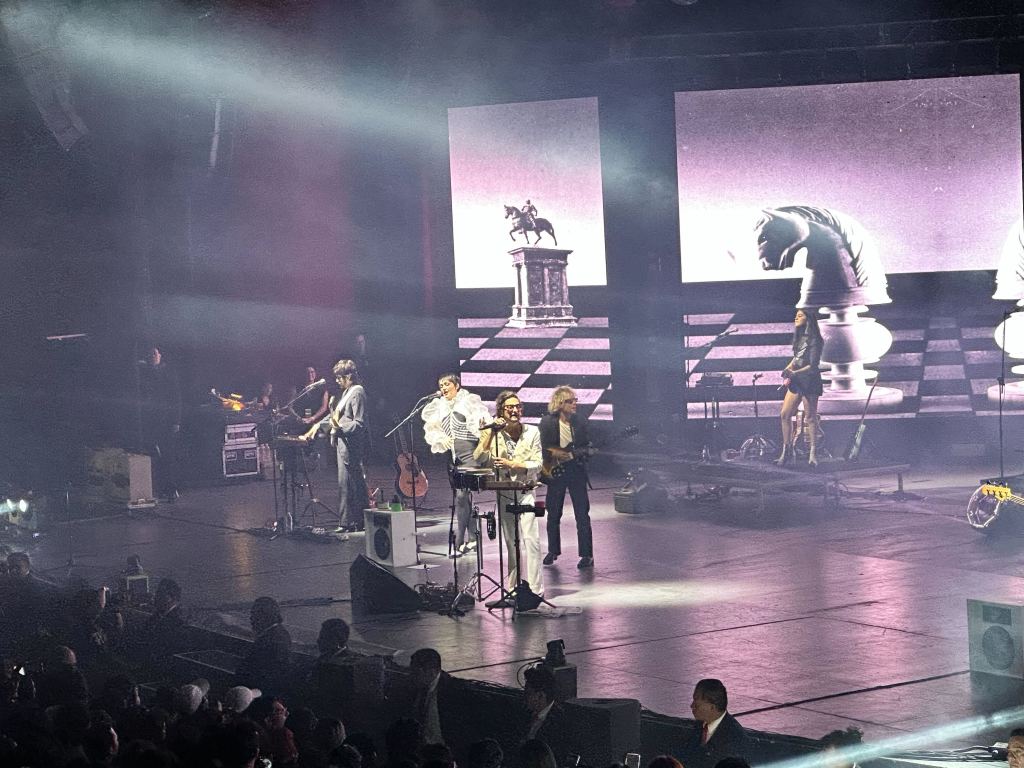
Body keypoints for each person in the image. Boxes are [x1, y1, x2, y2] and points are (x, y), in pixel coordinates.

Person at [474, 390, 544, 603]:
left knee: (531, 540)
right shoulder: (495, 433)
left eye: (518, 407)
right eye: (509, 407)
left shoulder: (532, 432)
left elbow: (538, 463)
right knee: (510, 543)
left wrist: (515, 465)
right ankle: (513, 589)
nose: (515, 411)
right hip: (504, 492)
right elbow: (479, 459)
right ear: (501, 411)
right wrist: (488, 435)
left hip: (526, 490)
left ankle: (535, 591)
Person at [422, 373, 490, 556]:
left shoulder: (468, 401)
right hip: (453, 458)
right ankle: (474, 539)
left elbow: (482, 426)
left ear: (457, 385)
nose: (443, 388)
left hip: (469, 454)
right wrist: (441, 439)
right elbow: (433, 429)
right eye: (441, 385)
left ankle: (459, 541)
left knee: (461, 497)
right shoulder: (439, 406)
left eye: (447, 384)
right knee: (462, 499)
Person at [302, 359, 369, 532]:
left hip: (351, 446)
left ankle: (358, 521)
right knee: (344, 484)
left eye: (339, 377)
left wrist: (337, 428)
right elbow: (335, 418)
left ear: (348, 376)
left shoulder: (357, 392)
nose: (337, 381)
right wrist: (317, 426)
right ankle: (347, 522)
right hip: (342, 445)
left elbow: (358, 423)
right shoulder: (346, 392)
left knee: (353, 484)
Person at [539, 386, 593, 569]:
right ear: (560, 403)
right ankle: (553, 550)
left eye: (575, 400)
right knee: (553, 513)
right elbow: (544, 447)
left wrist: (581, 453)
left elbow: (586, 447)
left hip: (576, 471)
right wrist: (557, 455)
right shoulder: (547, 422)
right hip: (556, 472)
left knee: (582, 514)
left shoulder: (580, 422)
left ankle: (586, 554)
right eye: (571, 401)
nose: (575, 404)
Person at [777, 308, 824, 466]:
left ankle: (812, 454)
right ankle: (786, 451)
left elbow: (813, 366)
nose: (796, 317)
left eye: (800, 315)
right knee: (785, 414)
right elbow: (796, 359)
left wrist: (794, 374)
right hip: (797, 380)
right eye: (796, 315)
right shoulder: (800, 338)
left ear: (809, 319)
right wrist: (787, 369)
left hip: (810, 381)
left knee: (810, 418)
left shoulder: (815, 340)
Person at [137, 346, 182, 501]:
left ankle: (171, 489)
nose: (153, 356)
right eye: (150, 354)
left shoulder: (168, 373)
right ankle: (158, 487)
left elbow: (175, 398)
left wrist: (176, 420)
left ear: (160, 355)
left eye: (155, 353)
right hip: (150, 421)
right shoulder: (143, 372)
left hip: (166, 421)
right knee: (154, 455)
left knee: (168, 456)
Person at [686, 679, 747, 768]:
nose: (691, 706)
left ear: (712, 707)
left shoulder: (735, 737)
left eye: (696, 702)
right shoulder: (697, 727)